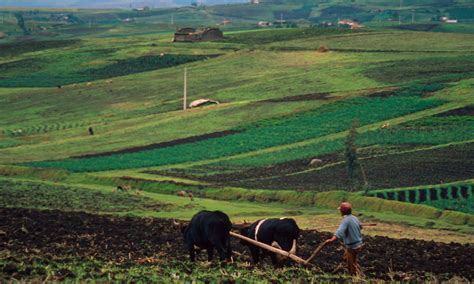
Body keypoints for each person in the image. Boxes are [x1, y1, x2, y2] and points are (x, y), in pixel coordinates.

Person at [325, 202, 364, 276]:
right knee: (348, 257)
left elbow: (339, 232)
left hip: (352, 246)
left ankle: (354, 277)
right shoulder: (355, 218)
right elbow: (361, 227)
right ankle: (355, 270)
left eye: (340, 210)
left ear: (343, 211)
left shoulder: (345, 221)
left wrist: (331, 240)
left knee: (351, 265)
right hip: (359, 244)